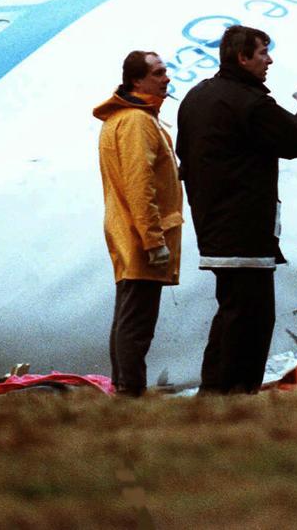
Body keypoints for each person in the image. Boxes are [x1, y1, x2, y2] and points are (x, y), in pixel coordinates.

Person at [176, 26, 297, 394]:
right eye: (262, 53)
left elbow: (185, 158)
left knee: (231, 311)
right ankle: (236, 393)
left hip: (213, 229)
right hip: (245, 230)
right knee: (253, 317)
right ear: (242, 57)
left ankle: (216, 392)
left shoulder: (195, 99)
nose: (269, 60)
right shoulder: (250, 103)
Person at [93, 50, 183, 397]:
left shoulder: (121, 119)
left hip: (129, 232)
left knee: (129, 316)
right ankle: (130, 391)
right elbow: (139, 183)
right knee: (137, 321)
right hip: (140, 237)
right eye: (158, 73)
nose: (166, 78)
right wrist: (153, 239)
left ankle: (124, 387)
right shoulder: (137, 121)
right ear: (137, 80)